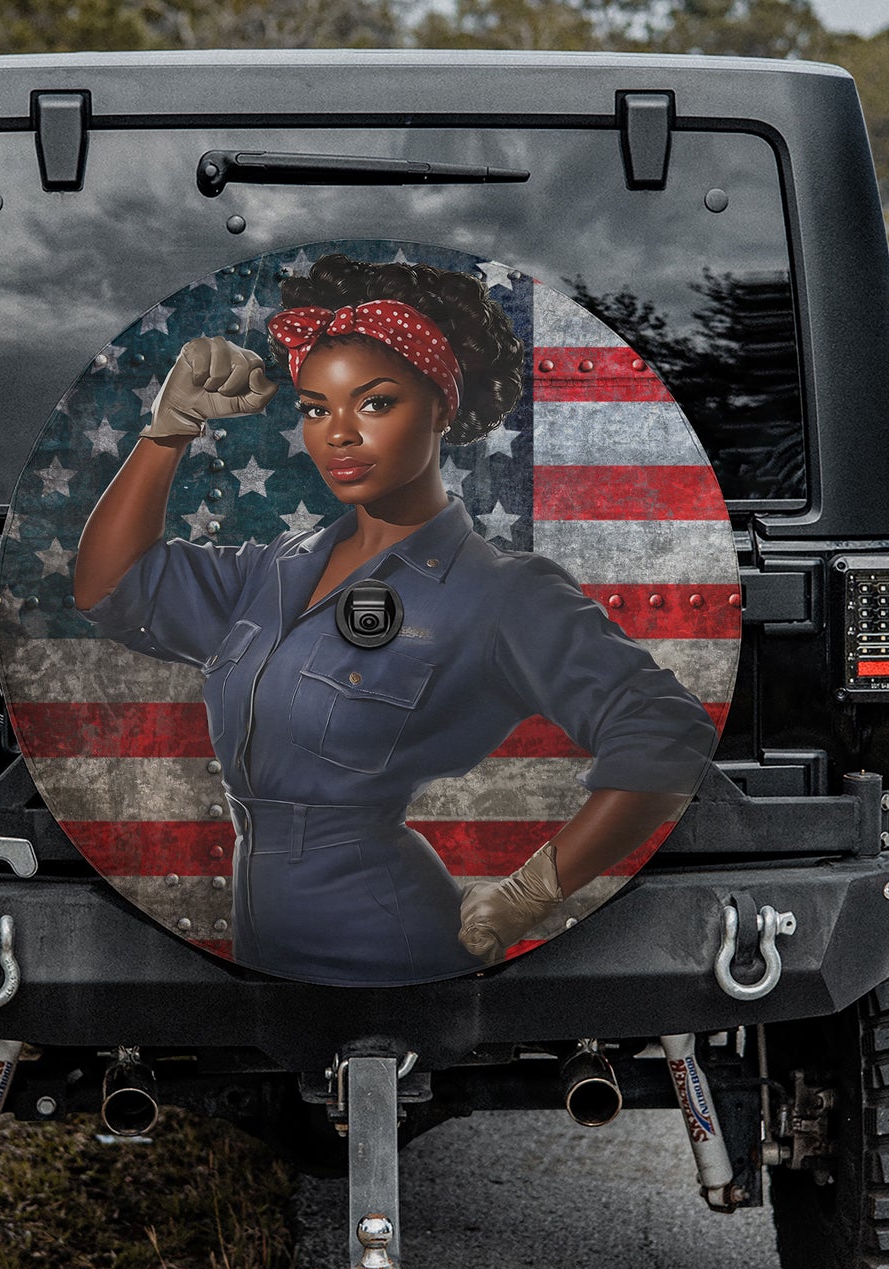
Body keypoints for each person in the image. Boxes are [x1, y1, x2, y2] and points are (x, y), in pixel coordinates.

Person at [73, 253, 718, 986]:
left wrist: (532, 890)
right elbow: (110, 589)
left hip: (386, 939)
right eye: (316, 408)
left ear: (441, 406)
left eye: (374, 403)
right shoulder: (274, 567)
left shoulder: (499, 592)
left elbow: (667, 730)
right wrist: (168, 430)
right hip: (260, 938)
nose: (337, 433)